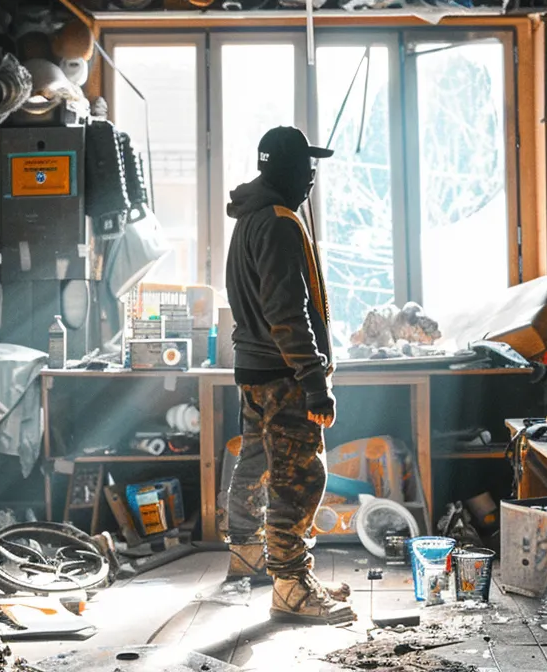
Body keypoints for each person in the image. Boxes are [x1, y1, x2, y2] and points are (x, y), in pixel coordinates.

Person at [220, 126, 352, 624]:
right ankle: (291, 585)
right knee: (297, 478)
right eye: (308, 169)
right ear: (289, 171)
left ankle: (252, 556)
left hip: (255, 368)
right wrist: (315, 381)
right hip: (283, 375)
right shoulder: (277, 222)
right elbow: (287, 312)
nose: (313, 179)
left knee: (255, 462)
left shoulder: (250, 217)